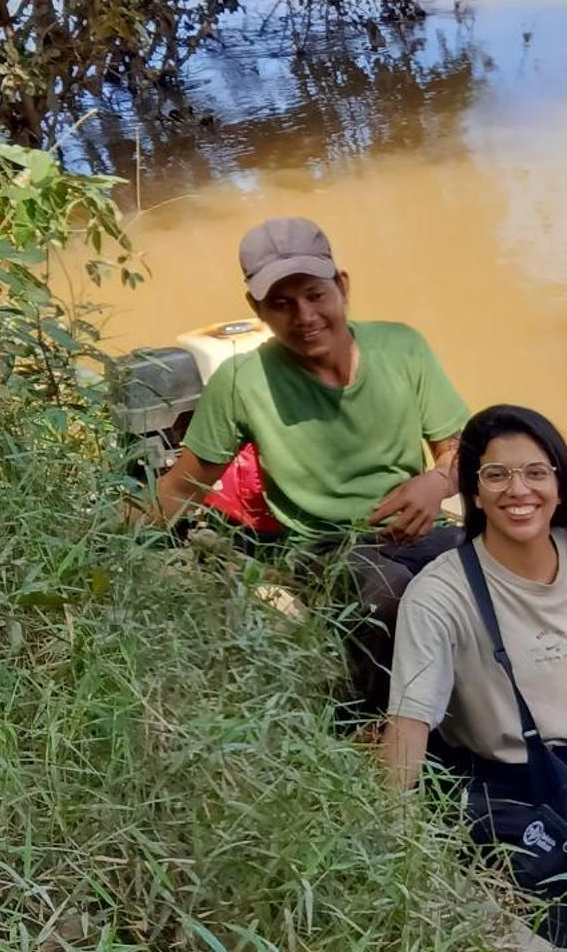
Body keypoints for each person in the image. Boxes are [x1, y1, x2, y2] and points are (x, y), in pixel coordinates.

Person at [151, 217, 470, 707]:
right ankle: (375, 720)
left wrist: (437, 481)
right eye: (281, 303)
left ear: (342, 287)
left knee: (501, 559)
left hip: (415, 526)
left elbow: (461, 449)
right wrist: (109, 546)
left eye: (315, 295)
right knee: (389, 595)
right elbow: (181, 486)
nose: (303, 316)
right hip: (322, 548)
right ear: (256, 309)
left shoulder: (403, 346)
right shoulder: (241, 381)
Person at [381, 404, 567, 794]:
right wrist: (392, 828)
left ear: (559, 486)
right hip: (510, 791)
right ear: (475, 493)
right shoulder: (438, 595)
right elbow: (409, 722)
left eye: (536, 473)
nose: (518, 490)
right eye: (496, 475)